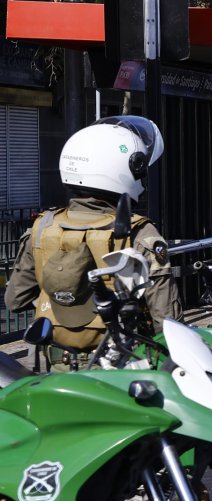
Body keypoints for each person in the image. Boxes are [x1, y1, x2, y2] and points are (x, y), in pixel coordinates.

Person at [5, 116, 178, 368]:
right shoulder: (140, 232)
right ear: (126, 169)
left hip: (56, 372)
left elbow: (15, 300)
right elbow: (169, 322)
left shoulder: (42, 227)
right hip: (122, 373)